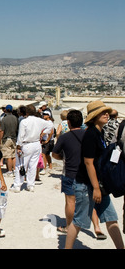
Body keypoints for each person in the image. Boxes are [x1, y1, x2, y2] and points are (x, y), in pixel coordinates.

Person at [65, 100, 124, 249]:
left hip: (97, 184)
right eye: (102, 112)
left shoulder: (100, 132)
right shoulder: (91, 134)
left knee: (111, 218)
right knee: (79, 221)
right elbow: (88, 162)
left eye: (107, 112)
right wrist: (96, 188)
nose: (106, 114)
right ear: (94, 116)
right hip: (87, 185)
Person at [51, 110, 106, 238]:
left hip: (70, 172)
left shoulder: (65, 137)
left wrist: (63, 158)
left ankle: (69, 226)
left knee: (70, 201)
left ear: (68, 123)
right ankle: (97, 227)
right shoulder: (89, 134)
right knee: (90, 201)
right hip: (88, 172)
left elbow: (54, 154)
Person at [11, 105, 53, 193]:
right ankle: (31, 185)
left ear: (26, 112)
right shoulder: (40, 121)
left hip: (26, 144)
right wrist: (44, 132)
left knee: (21, 165)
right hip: (36, 143)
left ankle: (17, 185)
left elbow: (21, 135)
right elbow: (50, 125)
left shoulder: (24, 122)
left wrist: (18, 146)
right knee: (32, 166)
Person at [0, 104, 18, 177]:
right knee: (13, 155)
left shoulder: (4, 119)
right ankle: (14, 170)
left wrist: (0, 140)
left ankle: (9, 171)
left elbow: (2, 131)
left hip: (6, 138)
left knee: (8, 156)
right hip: (14, 138)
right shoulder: (15, 118)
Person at [40, 110, 55, 174]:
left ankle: (44, 168)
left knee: (43, 154)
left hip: (47, 141)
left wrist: (47, 140)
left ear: (48, 115)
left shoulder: (49, 123)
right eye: (43, 114)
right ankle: (50, 167)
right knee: (47, 154)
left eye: (45, 114)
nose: (44, 115)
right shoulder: (48, 122)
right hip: (49, 140)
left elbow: (51, 132)